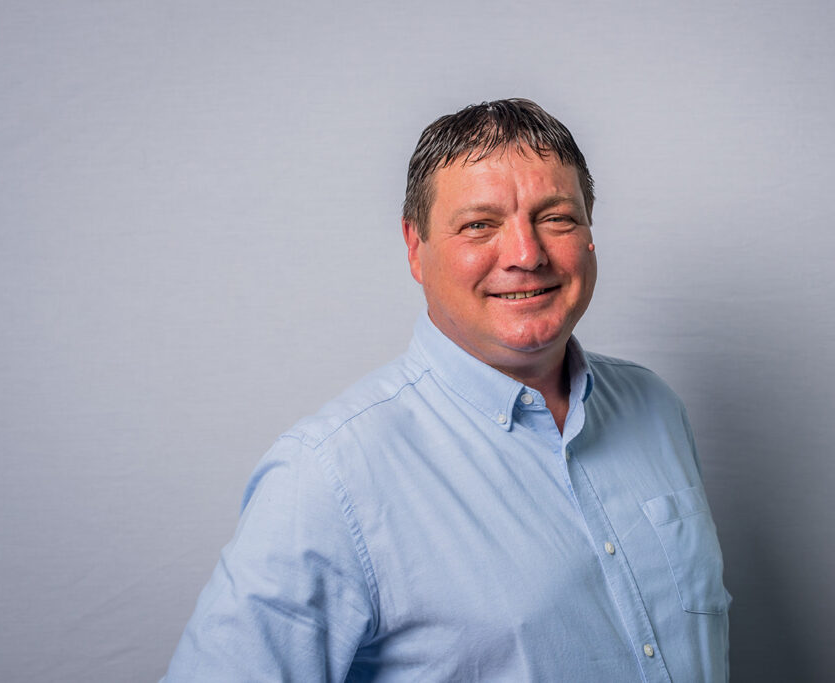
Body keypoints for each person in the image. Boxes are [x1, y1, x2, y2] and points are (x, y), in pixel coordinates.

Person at [163, 98, 730, 682]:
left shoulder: (655, 408)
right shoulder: (329, 478)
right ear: (416, 247)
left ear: (589, 232)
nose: (526, 255)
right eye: (480, 225)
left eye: (556, 217)